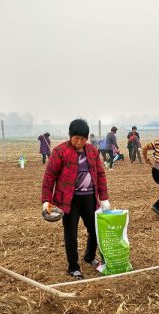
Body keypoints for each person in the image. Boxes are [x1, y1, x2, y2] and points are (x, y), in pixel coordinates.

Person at [41, 119, 110, 280]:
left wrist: (104, 198)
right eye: (76, 138)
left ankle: (89, 256)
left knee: (95, 230)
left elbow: (100, 174)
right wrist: (46, 201)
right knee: (70, 233)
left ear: (87, 138)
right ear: (70, 136)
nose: (79, 142)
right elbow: (49, 177)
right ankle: (73, 267)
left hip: (89, 199)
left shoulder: (92, 151)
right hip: (68, 200)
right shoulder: (60, 152)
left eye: (83, 139)